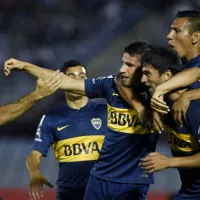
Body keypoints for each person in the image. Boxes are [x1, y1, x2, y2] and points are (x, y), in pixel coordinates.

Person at [4, 41, 158, 200]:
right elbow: (61, 81)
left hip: (132, 181)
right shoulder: (108, 86)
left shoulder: (157, 93)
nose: (122, 70)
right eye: (122, 64)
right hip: (90, 184)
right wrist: (25, 66)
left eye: (129, 65)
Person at [26, 60, 107, 200]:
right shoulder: (51, 118)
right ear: (62, 82)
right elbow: (34, 155)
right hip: (69, 194)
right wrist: (34, 173)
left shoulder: (107, 112)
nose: (77, 80)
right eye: (72, 76)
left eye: (82, 76)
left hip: (104, 191)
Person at [136, 47, 200, 200]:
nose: (143, 80)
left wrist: (168, 162)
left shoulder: (193, 108)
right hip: (190, 190)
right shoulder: (162, 104)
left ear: (167, 76)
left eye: (147, 74)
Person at [150, 10, 200, 126]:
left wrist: (188, 96)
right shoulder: (176, 63)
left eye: (176, 31)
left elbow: (196, 72)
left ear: (195, 37)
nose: (169, 35)